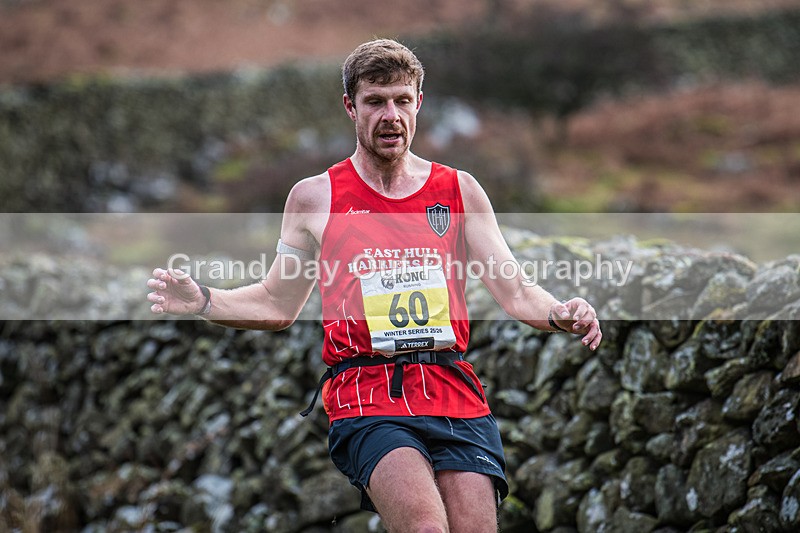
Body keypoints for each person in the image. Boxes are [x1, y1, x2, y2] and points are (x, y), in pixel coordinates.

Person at [146, 39, 602, 533]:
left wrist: (561, 312)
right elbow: (277, 302)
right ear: (350, 106)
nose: (391, 115)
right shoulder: (314, 197)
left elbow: (516, 290)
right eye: (375, 101)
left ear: (419, 103)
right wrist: (205, 301)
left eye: (403, 100)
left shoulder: (458, 190)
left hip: (451, 390)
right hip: (368, 396)